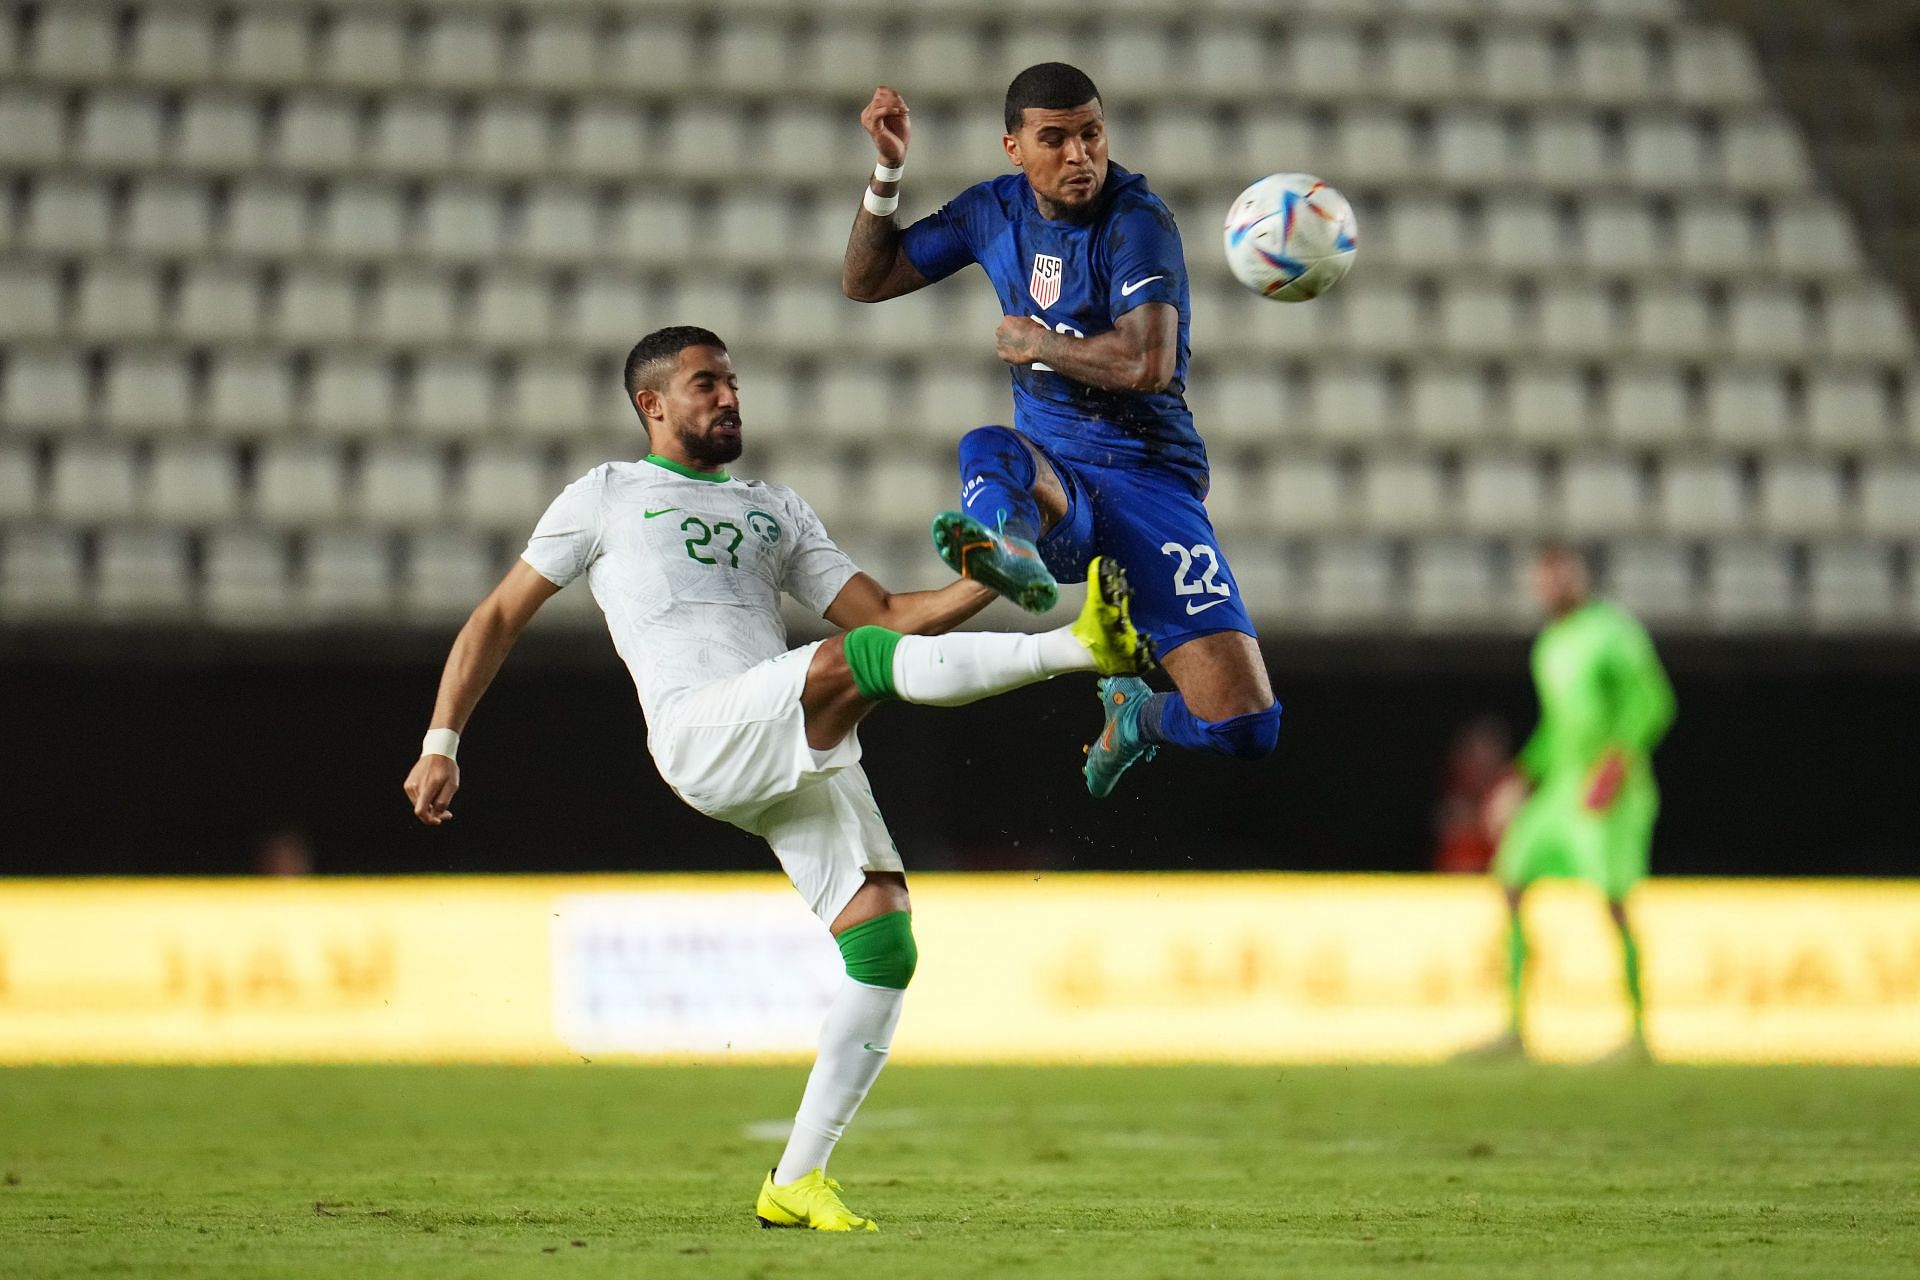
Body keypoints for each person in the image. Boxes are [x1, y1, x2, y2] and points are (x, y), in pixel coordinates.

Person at [401, 327, 1151, 1231]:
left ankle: (796, 1179)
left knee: (883, 943)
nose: (729, 398)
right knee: (852, 661)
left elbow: (889, 614)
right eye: (705, 383)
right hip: (704, 729)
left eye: (732, 382)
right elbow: (496, 617)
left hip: (781, 733)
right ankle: (1079, 646)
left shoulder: (777, 511)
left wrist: (986, 579)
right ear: (653, 405)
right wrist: (442, 738)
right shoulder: (604, 497)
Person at [841, 62, 1281, 799]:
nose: (1080, 155)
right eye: (1056, 139)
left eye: (1092, 134)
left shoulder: (1138, 220)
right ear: (1014, 148)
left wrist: (1040, 344)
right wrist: (887, 170)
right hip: (1058, 488)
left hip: (1149, 483)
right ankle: (1010, 551)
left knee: (1246, 726)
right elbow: (866, 281)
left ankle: (1135, 718)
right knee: (989, 447)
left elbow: (1147, 361)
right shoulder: (992, 211)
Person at [1468, 546, 1676, 1062]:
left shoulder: (1614, 631)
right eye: (1544, 578)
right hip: (1561, 787)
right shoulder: (1550, 643)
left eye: (1561, 575)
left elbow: (1653, 702)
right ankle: (1515, 1029)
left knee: (1614, 902)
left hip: (1610, 785)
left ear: (1579, 577)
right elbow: (1557, 728)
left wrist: (1616, 763)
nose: (1553, 586)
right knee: (1512, 881)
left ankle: (1639, 1034)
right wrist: (1520, 774)